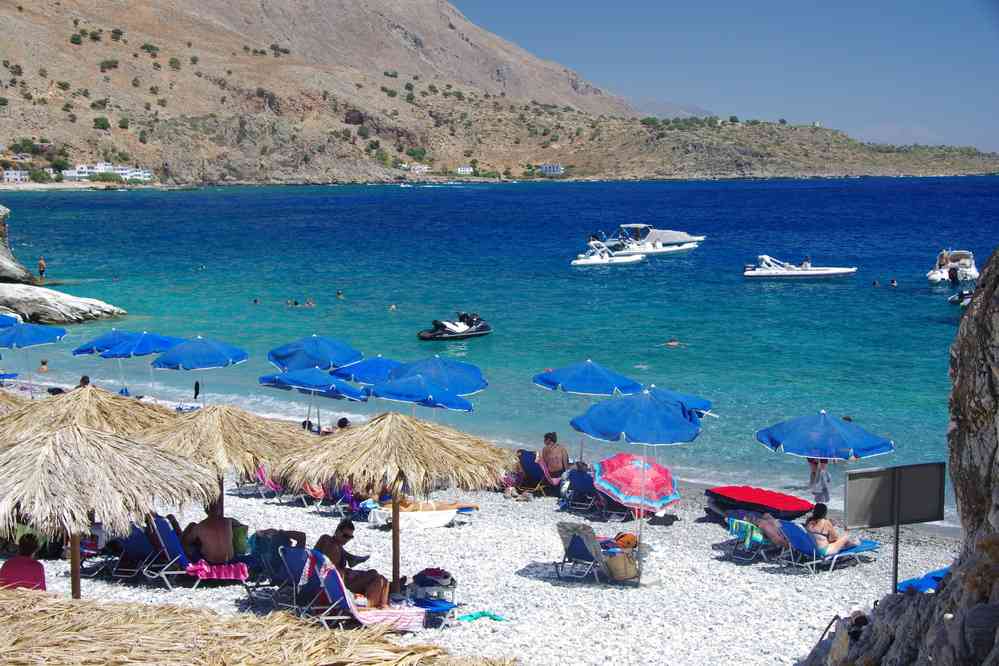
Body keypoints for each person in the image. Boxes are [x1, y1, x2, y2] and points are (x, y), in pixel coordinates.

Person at [315, 519, 389, 608]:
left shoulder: (327, 540)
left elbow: (328, 563)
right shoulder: (333, 546)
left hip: (330, 581)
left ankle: (382, 602)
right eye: (345, 536)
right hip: (338, 584)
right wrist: (349, 574)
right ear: (338, 531)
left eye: (350, 537)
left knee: (375, 575)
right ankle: (372, 605)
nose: (347, 539)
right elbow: (335, 574)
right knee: (378, 578)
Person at [181, 500, 245, 564]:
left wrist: (190, 526)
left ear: (206, 510)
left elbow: (187, 541)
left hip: (210, 562)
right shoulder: (229, 521)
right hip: (230, 560)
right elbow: (242, 528)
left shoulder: (199, 526)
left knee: (188, 548)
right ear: (219, 510)